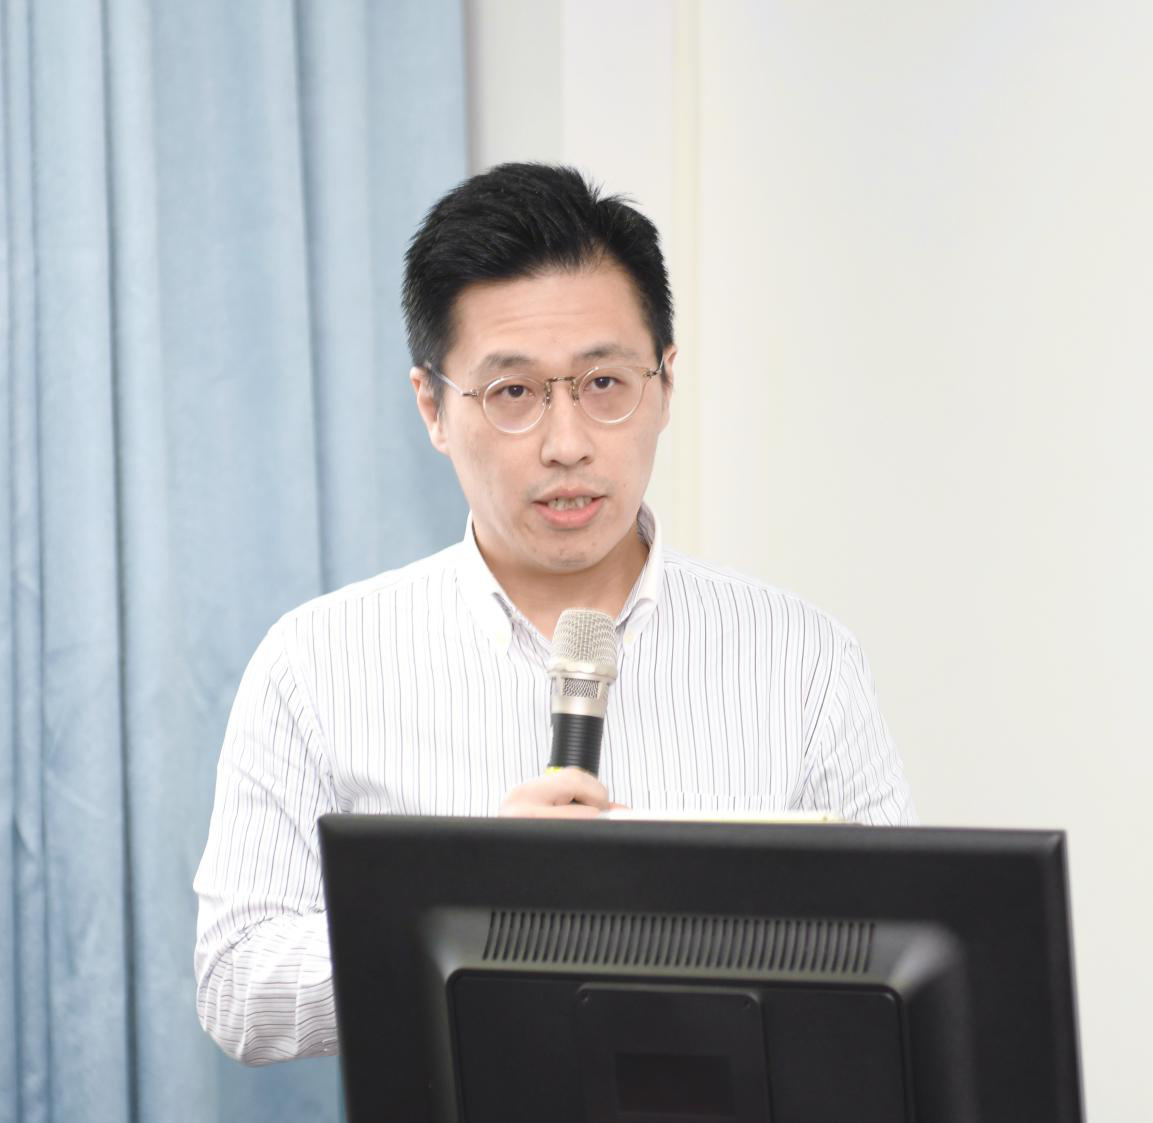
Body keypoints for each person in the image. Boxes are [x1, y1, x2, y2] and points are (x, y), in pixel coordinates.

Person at [194, 163, 915, 1068]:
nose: (567, 443)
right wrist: (467, 907)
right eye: (513, 393)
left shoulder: (801, 660)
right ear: (432, 407)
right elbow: (236, 987)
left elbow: (905, 958)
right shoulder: (316, 663)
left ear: (664, 385)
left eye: (604, 383)